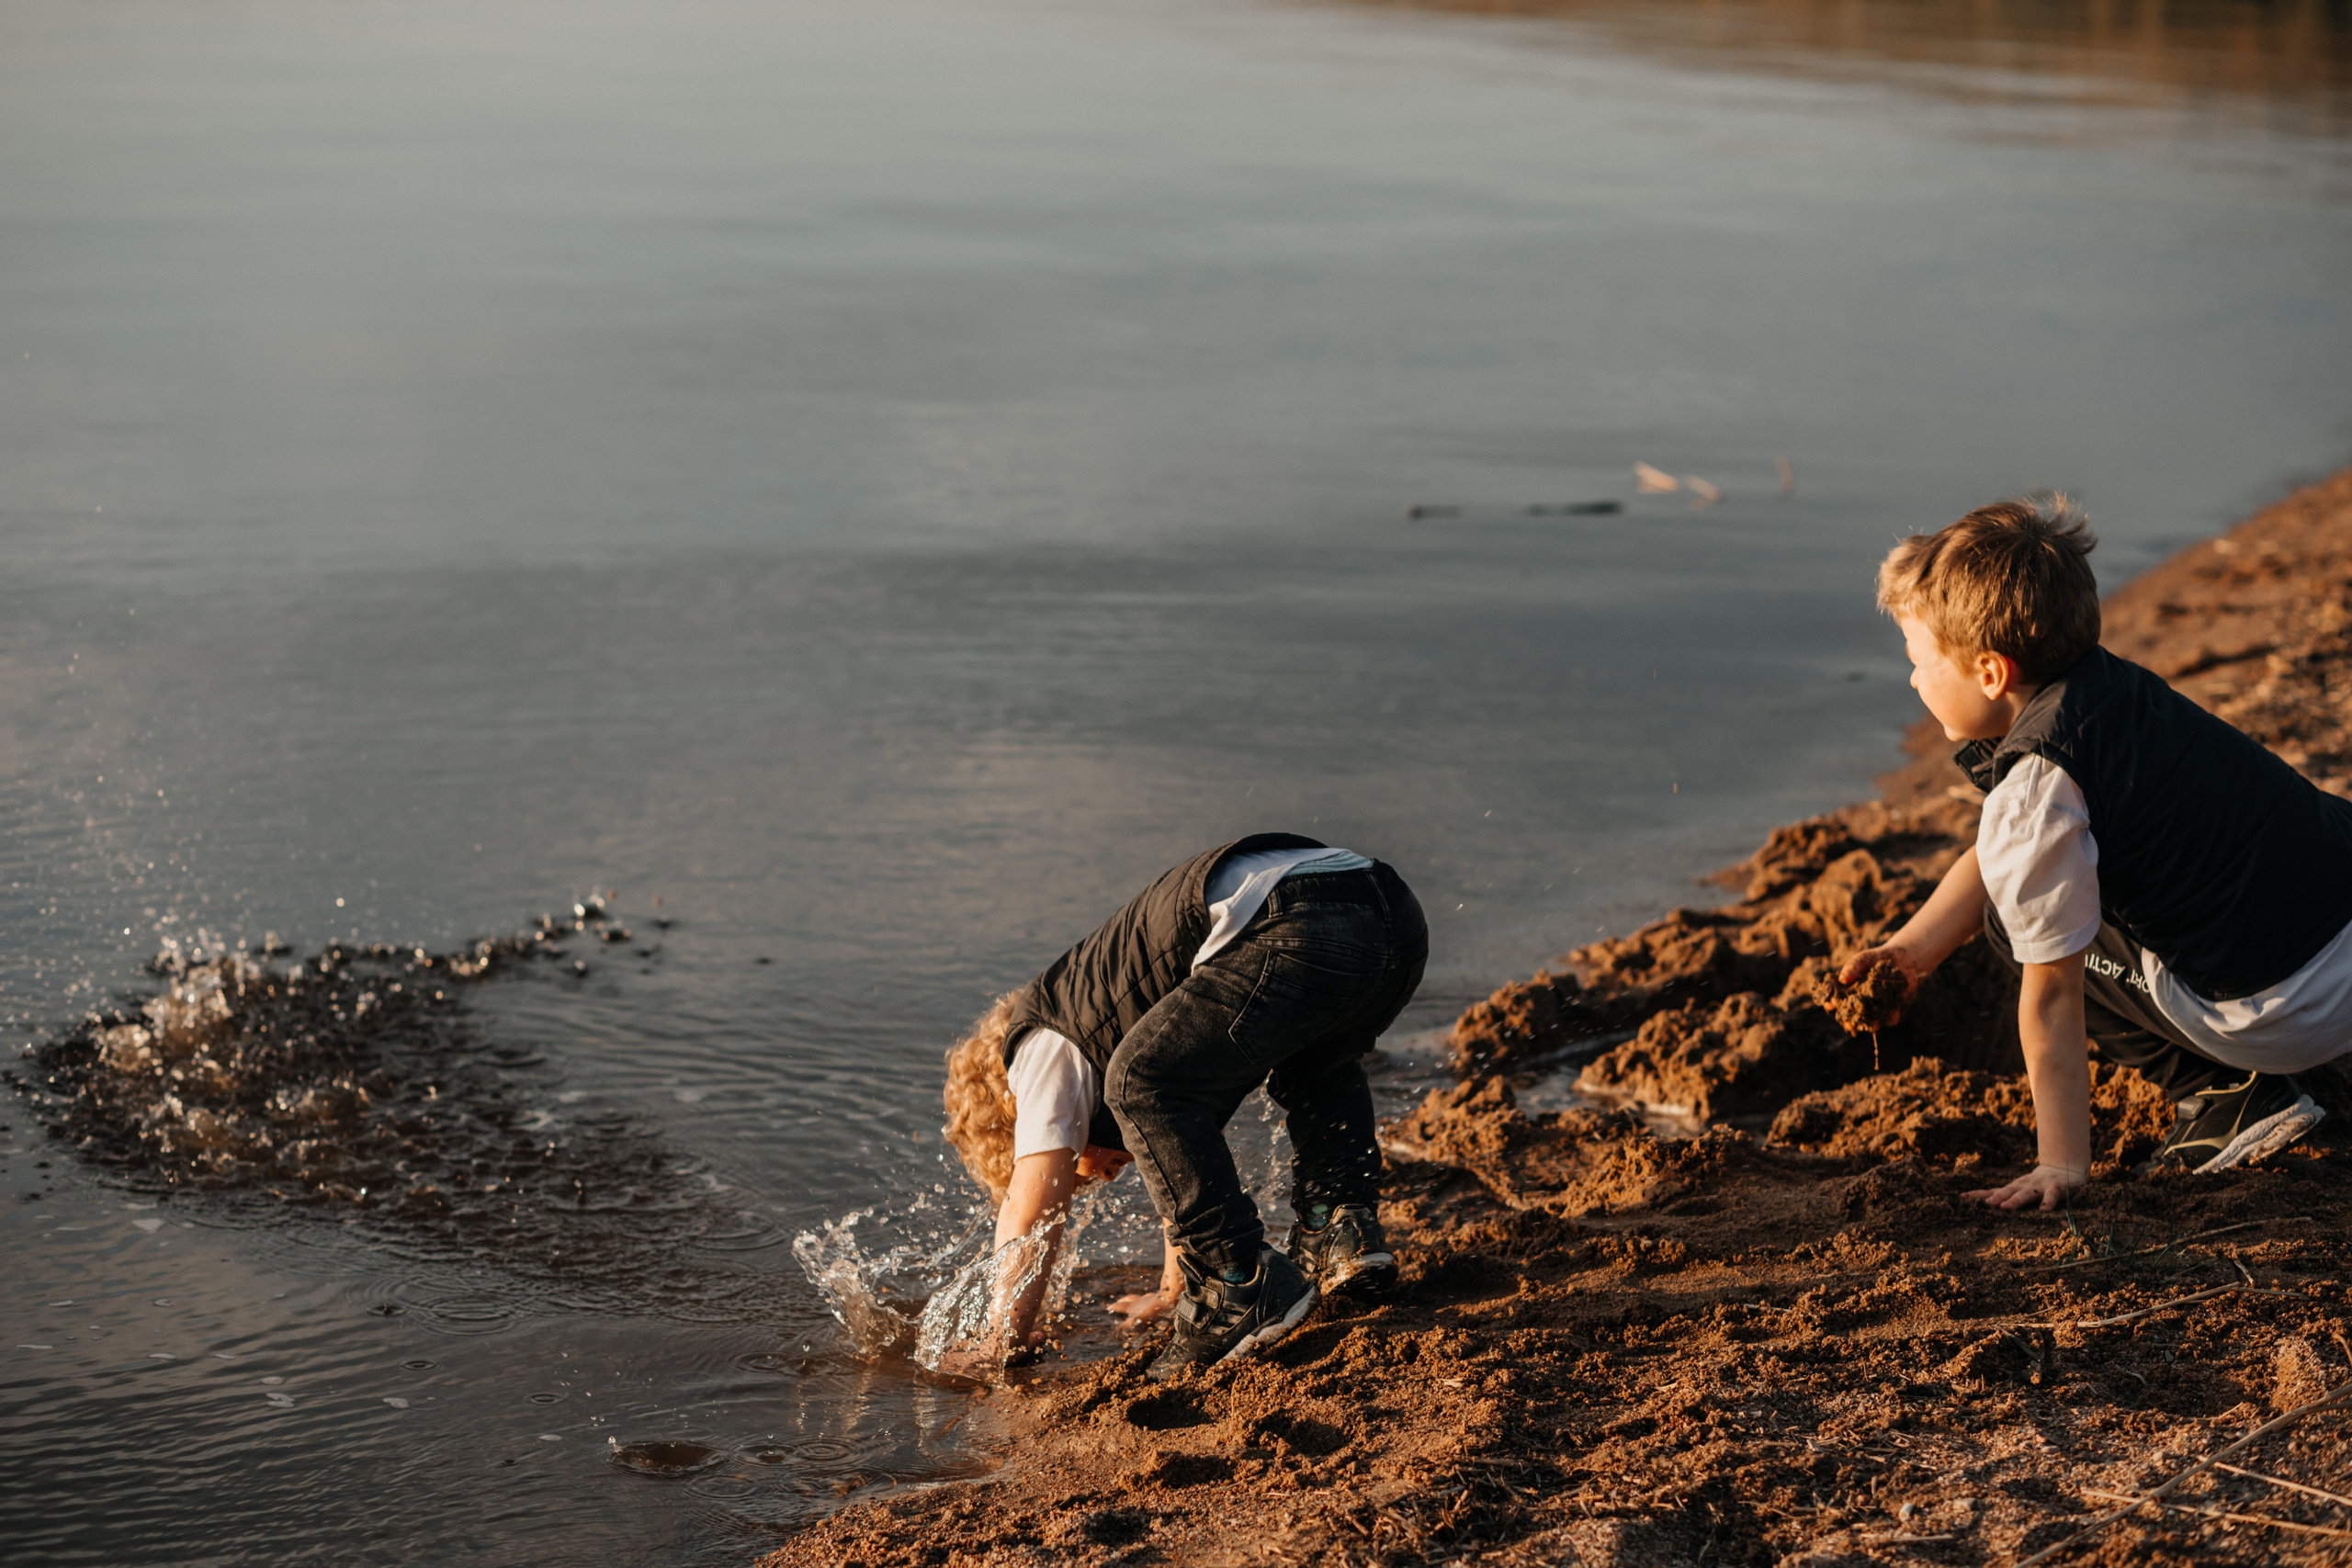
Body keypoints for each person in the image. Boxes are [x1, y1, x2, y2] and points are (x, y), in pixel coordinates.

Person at [1841, 497, 2351, 1213]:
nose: (1916, 681)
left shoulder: (2040, 783)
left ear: (1989, 672)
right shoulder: (2110, 690)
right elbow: (1997, 854)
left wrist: (2061, 1162)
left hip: (2286, 1003)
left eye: (1919, 662)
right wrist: (1911, 952)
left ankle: (2226, 1096)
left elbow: (2052, 988)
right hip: (2340, 919)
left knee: (2017, 929)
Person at [940, 834, 1427, 1381]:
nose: (1103, 1174)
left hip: (1299, 918)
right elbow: (1191, 1176)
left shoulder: (1041, 1046)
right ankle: (1339, 1226)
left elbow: (1030, 1215)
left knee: (1137, 1084)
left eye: (1081, 1172)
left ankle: (1238, 1284)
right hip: (1390, 912)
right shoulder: (1131, 1015)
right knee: (1317, 1066)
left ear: (1015, 1121)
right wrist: (1172, 1295)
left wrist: (999, 1339)